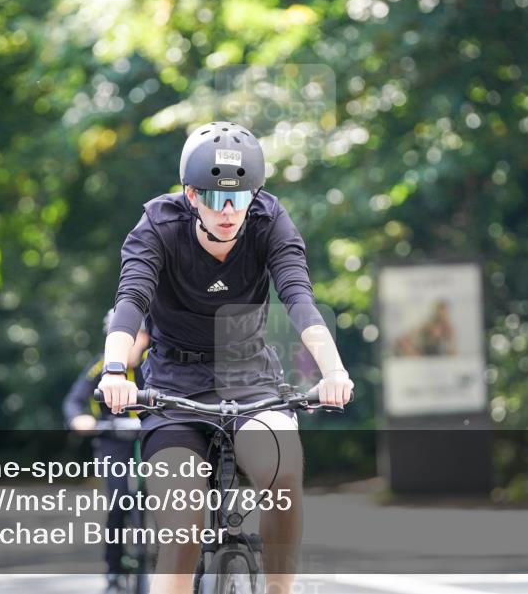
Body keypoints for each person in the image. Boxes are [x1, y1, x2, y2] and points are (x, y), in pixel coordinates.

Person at [97, 121, 354, 594]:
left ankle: (279, 589)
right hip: (172, 383)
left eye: (241, 197)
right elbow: (131, 300)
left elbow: (298, 297)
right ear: (191, 195)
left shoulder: (269, 219)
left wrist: (333, 369)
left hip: (250, 375)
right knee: (182, 528)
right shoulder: (158, 224)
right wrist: (116, 370)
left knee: (284, 474)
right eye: (215, 198)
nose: (230, 211)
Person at [63, 311, 151, 594]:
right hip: (112, 438)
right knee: (118, 500)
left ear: (146, 337)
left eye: (134, 336)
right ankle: (114, 570)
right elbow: (75, 400)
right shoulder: (102, 366)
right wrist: (79, 418)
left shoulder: (157, 363)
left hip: (150, 435)